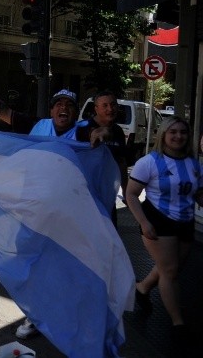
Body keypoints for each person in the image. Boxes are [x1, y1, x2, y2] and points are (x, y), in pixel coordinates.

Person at [0, 84, 88, 339]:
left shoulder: (84, 132)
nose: (63, 108)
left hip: (68, 215)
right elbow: (2, 111)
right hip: (33, 210)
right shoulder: (37, 126)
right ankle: (37, 313)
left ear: (76, 113)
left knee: (60, 265)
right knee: (29, 261)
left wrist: (102, 131)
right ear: (51, 110)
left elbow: (104, 132)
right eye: (59, 104)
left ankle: (51, 314)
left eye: (69, 105)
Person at [125, 116, 203, 350]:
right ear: (163, 135)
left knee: (171, 267)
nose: (178, 136)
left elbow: (197, 193)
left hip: (185, 221)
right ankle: (178, 324)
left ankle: (142, 289)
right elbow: (131, 194)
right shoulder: (149, 162)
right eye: (173, 132)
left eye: (183, 132)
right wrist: (143, 222)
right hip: (158, 220)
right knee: (170, 272)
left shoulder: (193, 163)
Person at [76, 90, 128, 225]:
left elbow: (121, 162)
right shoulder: (82, 128)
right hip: (84, 194)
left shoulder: (118, 131)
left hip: (108, 194)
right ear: (96, 109)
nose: (110, 109)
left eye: (113, 104)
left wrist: (126, 191)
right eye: (105, 106)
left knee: (109, 231)